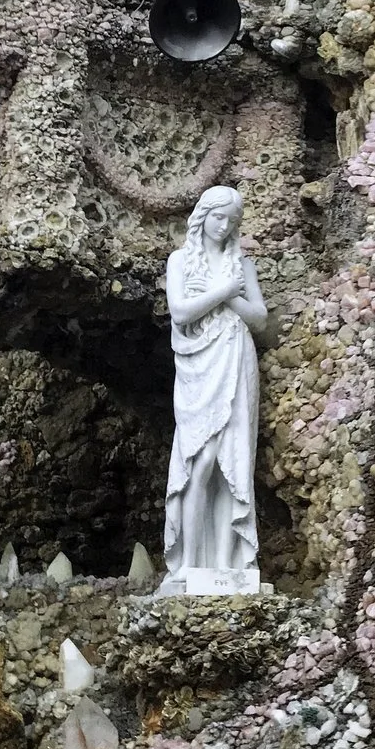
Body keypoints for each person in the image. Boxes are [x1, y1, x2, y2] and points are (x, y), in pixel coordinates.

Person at [161, 186, 269, 592]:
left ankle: (226, 566)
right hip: (199, 367)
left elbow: (258, 318)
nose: (224, 227)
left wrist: (224, 296)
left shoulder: (241, 263)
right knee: (199, 462)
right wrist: (225, 292)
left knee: (233, 466)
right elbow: (180, 311)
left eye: (231, 221)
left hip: (237, 357)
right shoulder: (180, 261)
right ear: (202, 216)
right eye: (218, 217)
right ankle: (188, 564)